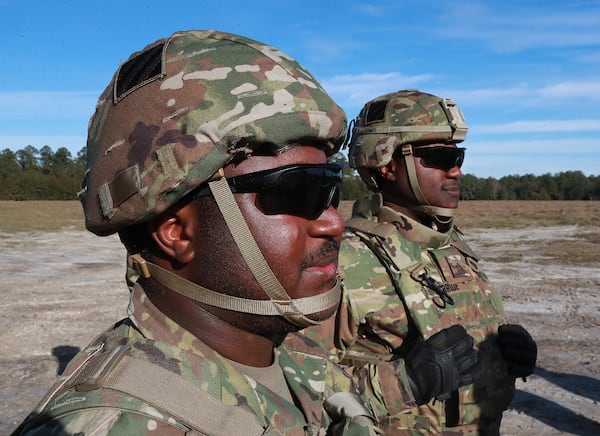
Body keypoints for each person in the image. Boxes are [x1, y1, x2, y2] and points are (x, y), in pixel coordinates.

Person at [12, 30, 384, 435]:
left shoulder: (293, 354)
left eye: (331, 187)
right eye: (298, 191)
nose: (333, 221)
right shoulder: (116, 424)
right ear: (175, 232)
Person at [303, 89, 537, 434]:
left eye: (458, 157)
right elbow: (297, 383)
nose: (455, 171)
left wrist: (504, 358)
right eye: (440, 157)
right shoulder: (343, 261)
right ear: (386, 163)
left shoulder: (452, 244)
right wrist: (404, 381)